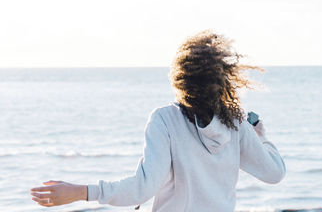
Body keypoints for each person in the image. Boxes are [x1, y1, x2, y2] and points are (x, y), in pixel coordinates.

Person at [30, 30, 286, 211]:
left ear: (180, 78)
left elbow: (143, 188)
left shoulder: (165, 119)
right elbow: (274, 173)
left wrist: (80, 192)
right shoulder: (237, 123)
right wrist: (261, 137)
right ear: (224, 79)